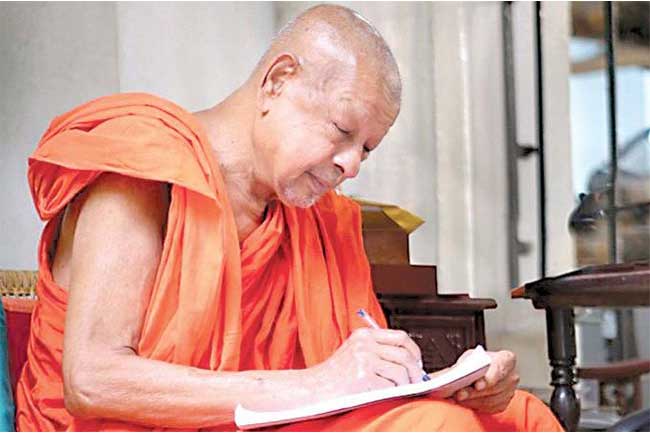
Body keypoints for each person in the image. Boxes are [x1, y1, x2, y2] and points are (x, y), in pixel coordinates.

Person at [16, 4, 563, 431]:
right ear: (277, 80)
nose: (352, 166)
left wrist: (458, 383)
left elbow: (361, 376)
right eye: (342, 131)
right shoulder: (142, 171)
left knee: (521, 415)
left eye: (367, 149)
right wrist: (317, 384)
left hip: (270, 419)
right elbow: (93, 380)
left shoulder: (320, 223)